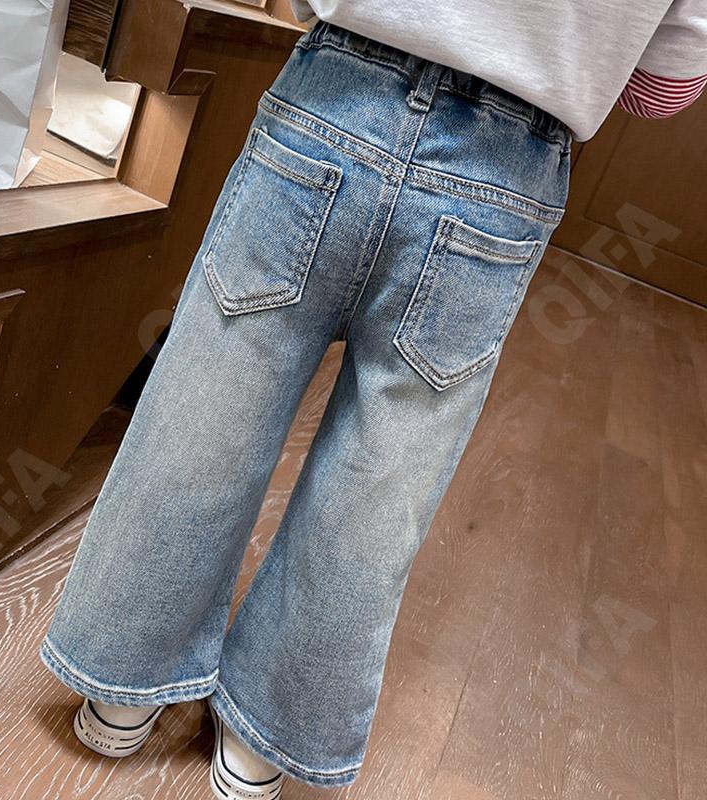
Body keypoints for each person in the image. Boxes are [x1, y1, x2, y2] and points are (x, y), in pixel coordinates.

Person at [39, 2, 707, 797]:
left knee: (213, 394)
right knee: (385, 476)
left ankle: (121, 686)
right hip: (508, 167)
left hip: (336, 94)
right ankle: (262, 739)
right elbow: (664, 86)